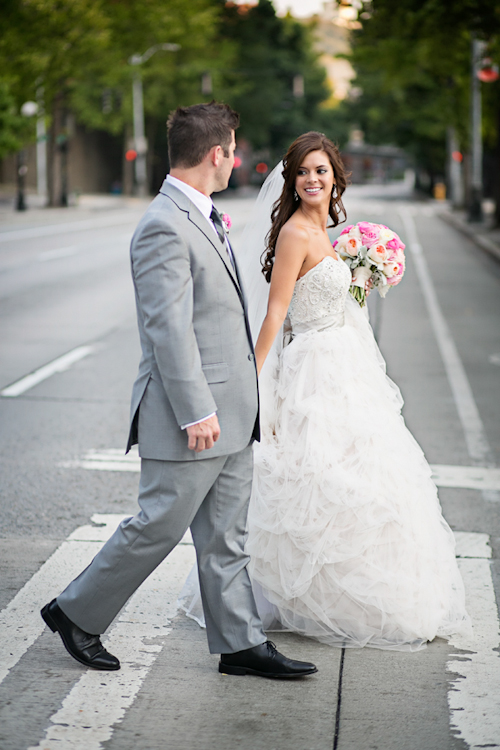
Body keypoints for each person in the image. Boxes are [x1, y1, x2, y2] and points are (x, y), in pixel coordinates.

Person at [40, 102, 317, 680]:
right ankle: (76, 613)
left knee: (226, 538)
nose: (236, 158)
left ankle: (240, 644)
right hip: (194, 417)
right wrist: (197, 411)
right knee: (158, 525)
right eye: (233, 149)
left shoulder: (202, 213)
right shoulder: (163, 224)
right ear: (217, 154)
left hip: (235, 413)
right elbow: (167, 330)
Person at [181, 131, 471, 651]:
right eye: (302, 172)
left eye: (320, 170)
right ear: (291, 181)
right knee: (318, 481)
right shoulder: (295, 233)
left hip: (347, 364)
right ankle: (311, 598)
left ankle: (353, 594)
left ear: (336, 176)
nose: (312, 179)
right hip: (314, 367)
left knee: (364, 480)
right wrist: (253, 380)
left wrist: (362, 272)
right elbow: (274, 313)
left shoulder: (330, 231)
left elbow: (339, 300)